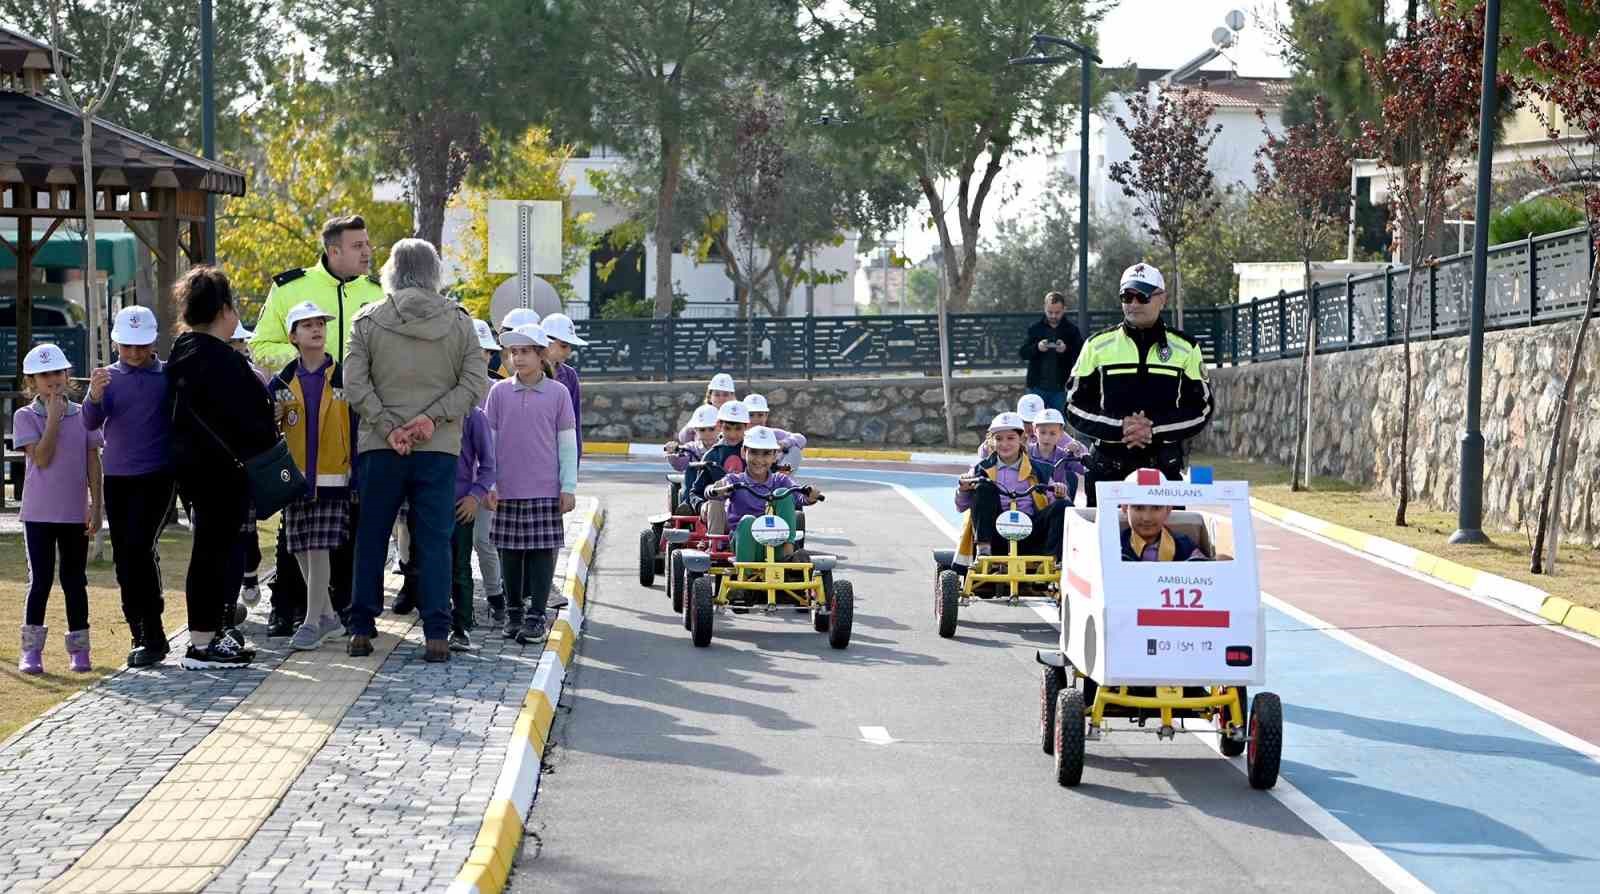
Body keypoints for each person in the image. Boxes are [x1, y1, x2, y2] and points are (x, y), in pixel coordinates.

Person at [343, 239, 486, 662]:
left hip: (380, 447)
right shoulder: (460, 322)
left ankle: (362, 628)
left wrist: (388, 426)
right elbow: (475, 383)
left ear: (391, 270)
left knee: (371, 536)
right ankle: (437, 632)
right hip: (438, 448)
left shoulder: (366, 321)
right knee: (435, 539)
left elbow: (354, 384)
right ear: (434, 272)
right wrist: (431, 419)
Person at [250, 215, 382, 634]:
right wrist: (308, 372)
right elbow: (260, 344)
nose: (367, 251)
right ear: (333, 249)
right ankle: (287, 606)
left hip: (359, 412)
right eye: (358, 245)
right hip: (303, 411)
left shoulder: (377, 293)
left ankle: (346, 608)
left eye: (367, 244)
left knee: (351, 518)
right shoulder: (292, 288)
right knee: (298, 522)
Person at [165, 266, 277, 669]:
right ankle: (202, 642)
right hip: (223, 472)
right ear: (224, 309)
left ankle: (207, 635)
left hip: (193, 470)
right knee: (215, 554)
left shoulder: (181, 352)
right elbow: (257, 418)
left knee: (208, 552)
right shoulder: (221, 360)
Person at [1066, 264, 1213, 507]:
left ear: (1162, 299)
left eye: (1142, 296)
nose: (1133, 303)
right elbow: (1074, 406)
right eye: (1127, 296)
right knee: (1106, 545)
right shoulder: (1096, 345)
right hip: (1107, 471)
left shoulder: (1186, 348)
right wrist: (1120, 427)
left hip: (1164, 470)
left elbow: (1202, 409)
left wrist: (1153, 429)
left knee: (1169, 545)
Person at [84, 306, 174, 668]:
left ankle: (154, 634)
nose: (134, 353)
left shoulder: (169, 375)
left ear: (153, 341)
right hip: (118, 479)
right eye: (127, 346)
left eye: (140, 346)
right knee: (125, 560)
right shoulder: (108, 378)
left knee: (139, 549)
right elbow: (91, 422)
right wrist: (92, 396)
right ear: (116, 343)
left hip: (158, 476)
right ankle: (139, 632)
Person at [485, 323, 577, 646]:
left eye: (525, 352)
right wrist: (489, 482)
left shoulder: (558, 393)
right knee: (508, 551)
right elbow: (489, 441)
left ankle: (537, 614)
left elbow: (567, 443)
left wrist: (568, 486)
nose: (518, 358)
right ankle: (513, 612)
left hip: (545, 488)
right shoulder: (497, 393)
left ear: (541, 355)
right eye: (513, 352)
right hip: (507, 488)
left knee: (541, 551)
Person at [272, 302, 357, 652]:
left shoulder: (343, 376)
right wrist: (273, 415)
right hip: (294, 479)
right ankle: (328, 617)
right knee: (301, 549)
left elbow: (356, 426)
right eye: (306, 325)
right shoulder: (281, 382)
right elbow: (272, 431)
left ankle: (310, 622)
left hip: (333, 476)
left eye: (320, 323)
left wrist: (358, 473)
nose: (316, 329)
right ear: (293, 336)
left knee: (319, 546)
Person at [14, 344, 103, 674]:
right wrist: (52, 418)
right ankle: (31, 652)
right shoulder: (24, 416)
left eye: (57, 373)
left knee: (74, 580)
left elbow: (93, 463)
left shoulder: (85, 415)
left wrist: (96, 507)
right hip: (37, 515)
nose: (52, 380)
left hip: (73, 513)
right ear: (32, 381)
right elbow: (41, 457)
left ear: (67, 375)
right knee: (40, 581)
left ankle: (79, 651)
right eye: (44, 375)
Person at [953, 413, 1071, 571]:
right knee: (983, 487)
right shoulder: (980, 469)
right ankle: (984, 553)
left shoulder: (1038, 470)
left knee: (1063, 506)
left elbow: (1054, 504)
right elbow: (961, 507)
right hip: (995, 534)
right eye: (999, 439)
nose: (1004, 444)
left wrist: (1059, 493)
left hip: (1029, 533)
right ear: (992, 441)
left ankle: (1050, 562)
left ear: (1022, 439)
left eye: (1010, 438)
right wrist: (963, 489)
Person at [703, 426, 821, 540]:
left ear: (775, 456)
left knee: (783, 494)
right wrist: (716, 490)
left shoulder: (780, 480)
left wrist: (810, 496)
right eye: (754, 452)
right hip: (740, 538)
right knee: (745, 520)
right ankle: (715, 545)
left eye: (766, 453)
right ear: (744, 452)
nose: (759, 460)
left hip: (772, 538)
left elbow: (799, 498)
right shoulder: (734, 480)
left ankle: (787, 551)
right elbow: (712, 492)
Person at [450, 390, 496, 651]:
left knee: (460, 568)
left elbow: (489, 465)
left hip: (460, 506)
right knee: (426, 567)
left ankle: (461, 626)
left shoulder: (474, 416)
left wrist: (475, 497)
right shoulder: (421, 412)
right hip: (426, 504)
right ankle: (436, 622)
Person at [472, 318, 507, 623]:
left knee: (485, 540)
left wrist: (492, 482)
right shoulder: (448, 389)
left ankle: (496, 596)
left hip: (488, 480)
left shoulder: (498, 391)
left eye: (485, 351)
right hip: (453, 479)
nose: (480, 356)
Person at [1020, 290, 1083, 414]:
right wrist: (1037, 347)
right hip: (1036, 387)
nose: (1053, 316)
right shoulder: (1035, 329)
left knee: (1059, 427)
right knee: (1033, 426)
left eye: (1057, 312)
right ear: (1044, 308)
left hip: (1061, 390)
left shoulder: (1072, 330)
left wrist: (1066, 349)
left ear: (1064, 309)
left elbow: (1082, 355)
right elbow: (1023, 353)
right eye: (1050, 312)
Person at [539, 313, 586, 459]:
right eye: (564, 345)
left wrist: (574, 463)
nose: (568, 352)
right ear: (546, 342)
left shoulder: (570, 376)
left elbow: (574, 424)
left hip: (559, 455)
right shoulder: (524, 373)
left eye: (569, 346)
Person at [1122, 494, 1209, 562]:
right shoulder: (1114, 548)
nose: (1147, 518)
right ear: (1125, 508)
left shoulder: (1185, 546)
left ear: (1168, 509)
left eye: (1156, 508)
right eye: (1139, 508)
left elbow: (1205, 571)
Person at [1030, 408, 1088, 504]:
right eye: (1042, 432)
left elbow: (1083, 469)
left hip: (1057, 498)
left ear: (1061, 433)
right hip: (1033, 498)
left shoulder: (1063, 455)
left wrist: (1078, 449)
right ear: (1034, 430)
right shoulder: (1027, 451)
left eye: (1052, 433)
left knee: (1066, 506)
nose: (1047, 437)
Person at [742, 393, 806, 469]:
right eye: (751, 415)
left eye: (760, 415)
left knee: (795, 451)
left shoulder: (772, 433)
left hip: (770, 476)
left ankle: (782, 479)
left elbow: (801, 439)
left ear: (766, 416)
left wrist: (783, 443)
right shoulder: (737, 436)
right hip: (744, 476)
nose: (756, 419)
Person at [978, 393, 1047, 461]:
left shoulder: (1052, 436)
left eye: (1035, 422)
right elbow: (983, 454)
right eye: (1026, 422)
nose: (1031, 426)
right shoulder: (1009, 428)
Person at [675, 373, 737, 444]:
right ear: (710, 396)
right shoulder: (702, 412)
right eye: (717, 394)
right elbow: (683, 438)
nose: (721, 398)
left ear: (732, 396)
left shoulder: (739, 415)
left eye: (725, 394)